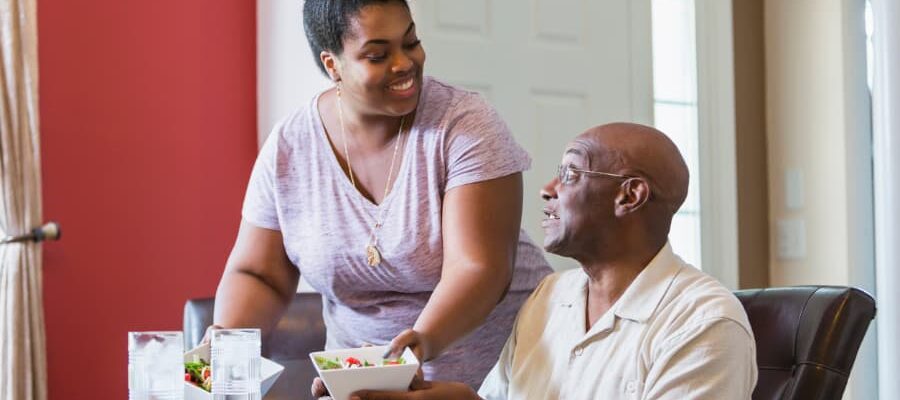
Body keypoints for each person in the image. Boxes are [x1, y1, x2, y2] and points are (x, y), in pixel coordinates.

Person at [210, 0, 552, 390]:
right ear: (332, 65)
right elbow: (260, 273)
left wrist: (418, 345)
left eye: (411, 42)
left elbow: (480, 269)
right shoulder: (290, 146)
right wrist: (228, 342)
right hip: (366, 385)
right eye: (378, 54)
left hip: (501, 380)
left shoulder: (465, 125)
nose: (404, 63)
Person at [351, 122, 758, 400]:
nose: (547, 190)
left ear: (630, 196)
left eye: (570, 174)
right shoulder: (550, 295)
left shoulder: (704, 323)